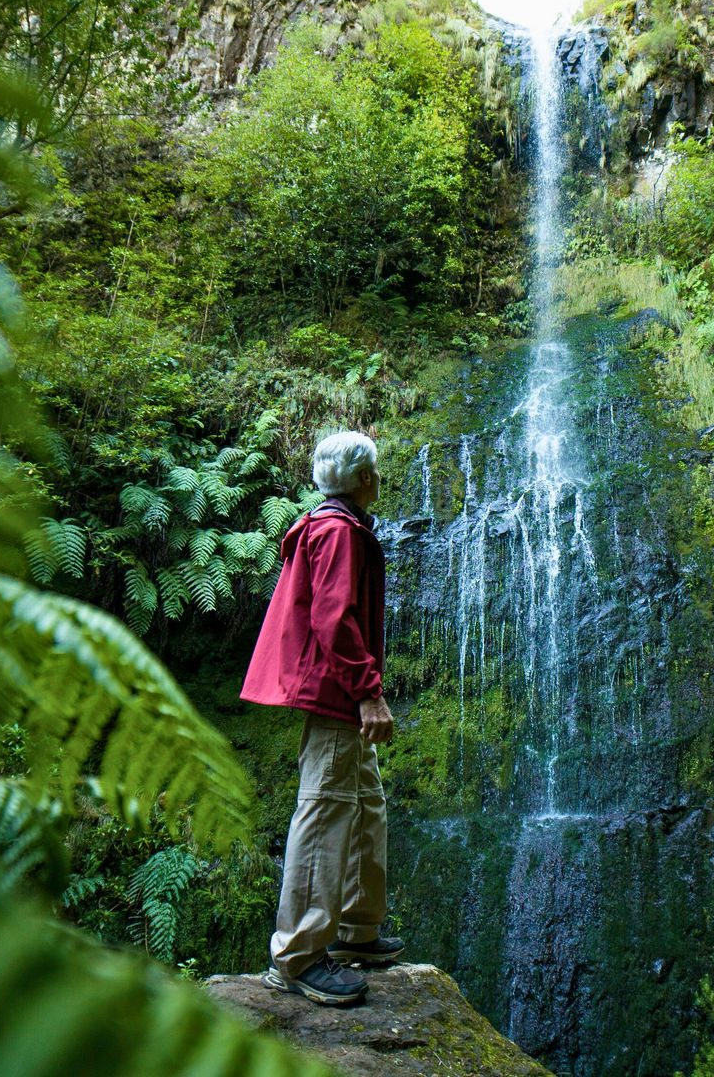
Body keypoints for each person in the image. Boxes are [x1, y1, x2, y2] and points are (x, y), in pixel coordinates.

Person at [241, 430, 405, 1006]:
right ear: (363, 479)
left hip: (341, 692)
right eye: (377, 472)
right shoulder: (337, 530)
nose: (380, 481)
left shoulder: (336, 524)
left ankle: (357, 930)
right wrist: (368, 691)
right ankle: (298, 956)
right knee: (326, 808)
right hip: (339, 693)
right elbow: (334, 620)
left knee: (364, 803)